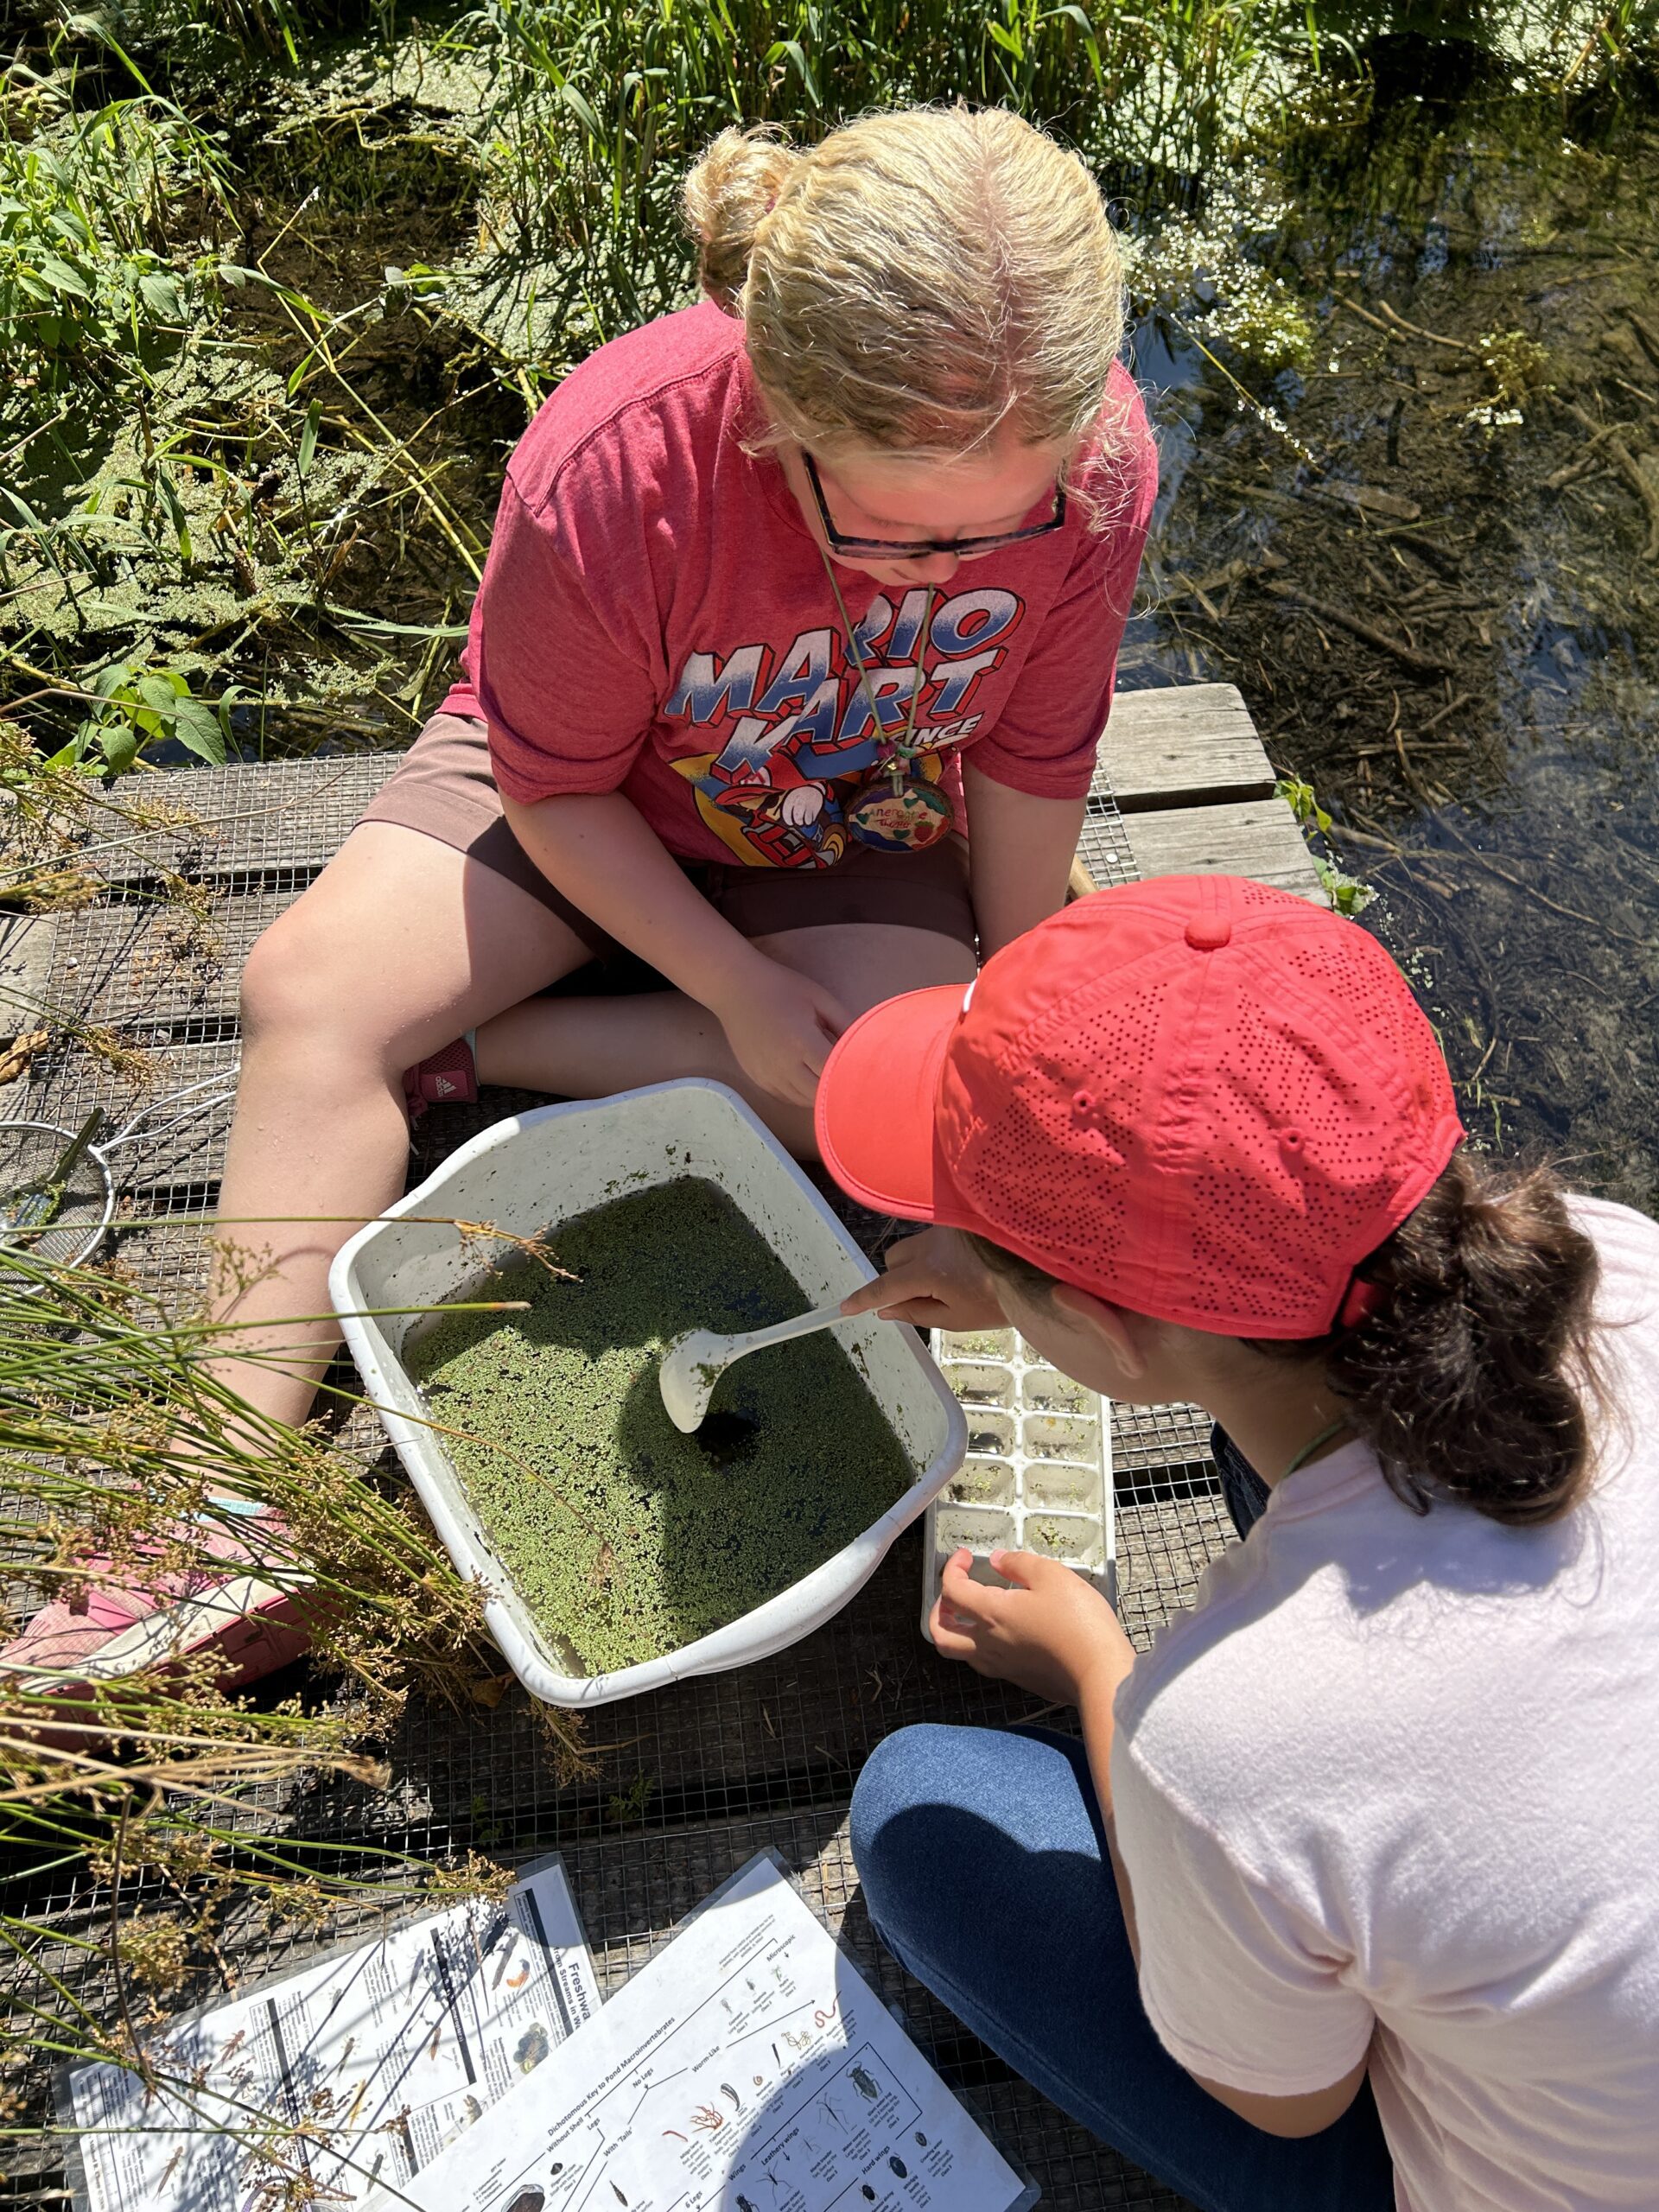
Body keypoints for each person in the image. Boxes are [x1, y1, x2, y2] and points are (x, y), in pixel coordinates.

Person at [0, 105, 1156, 1693]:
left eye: (994, 533)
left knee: (900, 1103)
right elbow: (550, 784)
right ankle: (213, 1504)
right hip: (597, 799)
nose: (948, 575)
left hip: (853, 805)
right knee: (312, 997)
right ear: (776, 414)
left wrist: (1009, 1045)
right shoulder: (616, 463)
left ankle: (494, 1049)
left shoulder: (1097, 472)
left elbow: (1030, 764)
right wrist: (737, 990)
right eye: (891, 531)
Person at [822, 874, 1659, 2212]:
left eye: (989, 1236)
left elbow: (1289, 2102)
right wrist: (1036, 1280)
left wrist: (1108, 1679)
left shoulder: (1218, 1740)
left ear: (1109, 1337)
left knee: (922, 1811)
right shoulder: (1612, 1263)